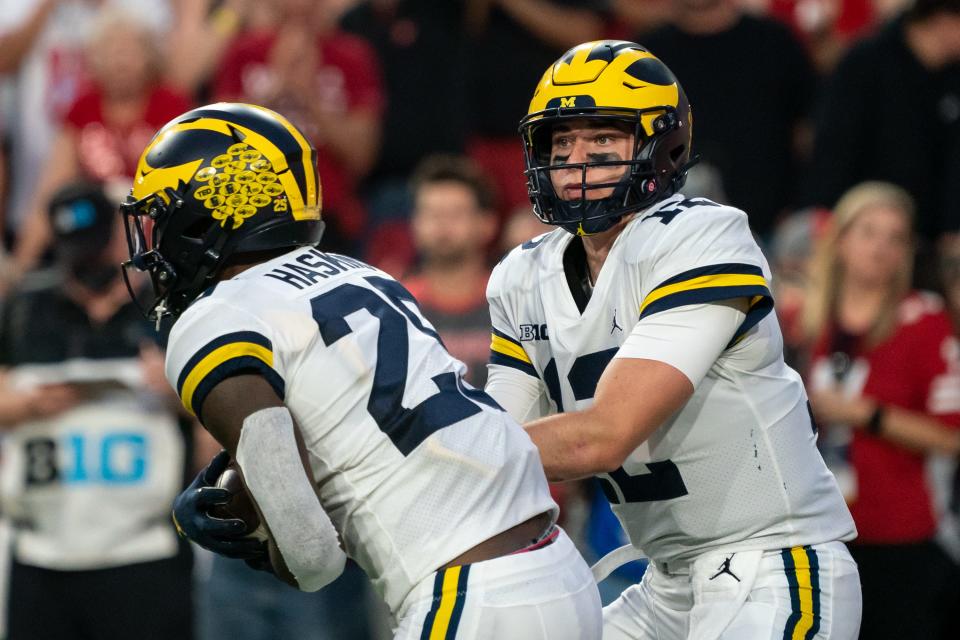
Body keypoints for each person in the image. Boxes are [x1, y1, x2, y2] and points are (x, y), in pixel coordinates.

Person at [119, 103, 602, 639]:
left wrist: (252, 533)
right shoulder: (362, 274)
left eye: (162, 215)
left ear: (212, 208)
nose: (154, 240)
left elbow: (310, 557)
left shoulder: (214, 316)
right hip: (558, 570)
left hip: (470, 591)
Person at [483, 40, 861, 639]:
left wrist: (421, 462)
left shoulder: (702, 237)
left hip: (771, 564)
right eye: (562, 144)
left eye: (602, 141)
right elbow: (500, 441)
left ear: (662, 147)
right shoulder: (521, 276)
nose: (576, 161)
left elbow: (605, 435)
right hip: (665, 584)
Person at [0, 181, 193, 640]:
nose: (86, 266)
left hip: (144, 547)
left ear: (117, 237)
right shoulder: (27, 309)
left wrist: (178, 392)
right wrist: (15, 404)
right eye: (73, 253)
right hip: (43, 545)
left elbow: (221, 420)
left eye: (93, 249)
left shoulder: (171, 309)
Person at [801, 181, 960, 640]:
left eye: (895, 238)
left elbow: (950, 437)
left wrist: (864, 414)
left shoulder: (924, 320)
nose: (881, 248)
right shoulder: (804, 318)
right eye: (869, 232)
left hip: (898, 535)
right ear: (842, 238)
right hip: (815, 533)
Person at [401, 155, 499, 388]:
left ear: (487, 224)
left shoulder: (509, 301)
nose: (442, 224)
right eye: (431, 213)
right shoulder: (398, 306)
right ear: (414, 223)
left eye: (456, 213)